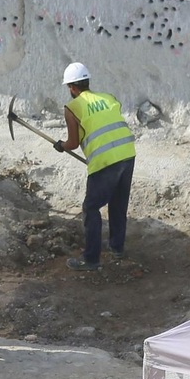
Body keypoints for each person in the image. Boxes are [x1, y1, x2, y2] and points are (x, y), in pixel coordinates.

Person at [56, 62, 136, 271]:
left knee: (91, 207)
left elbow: (73, 143)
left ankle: (91, 259)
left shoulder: (72, 108)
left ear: (72, 87)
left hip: (105, 161)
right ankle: (116, 247)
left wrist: (61, 146)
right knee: (118, 203)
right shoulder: (108, 98)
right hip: (127, 153)